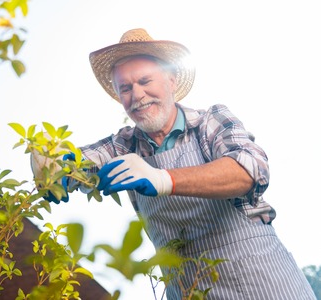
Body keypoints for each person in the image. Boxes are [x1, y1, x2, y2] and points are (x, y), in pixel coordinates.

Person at [31, 28, 316, 299]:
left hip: (263, 281)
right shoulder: (123, 146)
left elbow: (249, 170)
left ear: (171, 81)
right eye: (126, 88)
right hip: (187, 290)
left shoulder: (210, 122)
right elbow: (75, 162)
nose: (137, 95)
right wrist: (47, 160)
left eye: (145, 81)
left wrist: (163, 178)